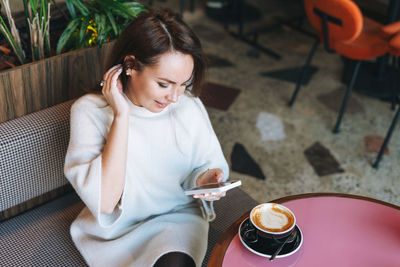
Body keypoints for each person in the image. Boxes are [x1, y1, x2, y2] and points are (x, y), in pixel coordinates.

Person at [64, 8, 229, 267]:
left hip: (178, 219)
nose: (174, 97)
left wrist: (206, 180)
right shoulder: (89, 112)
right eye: (164, 84)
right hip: (118, 232)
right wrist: (121, 116)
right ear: (130, 65)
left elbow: (204, 167)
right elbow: (106, 203)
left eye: (183, 84)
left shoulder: (187, 105)